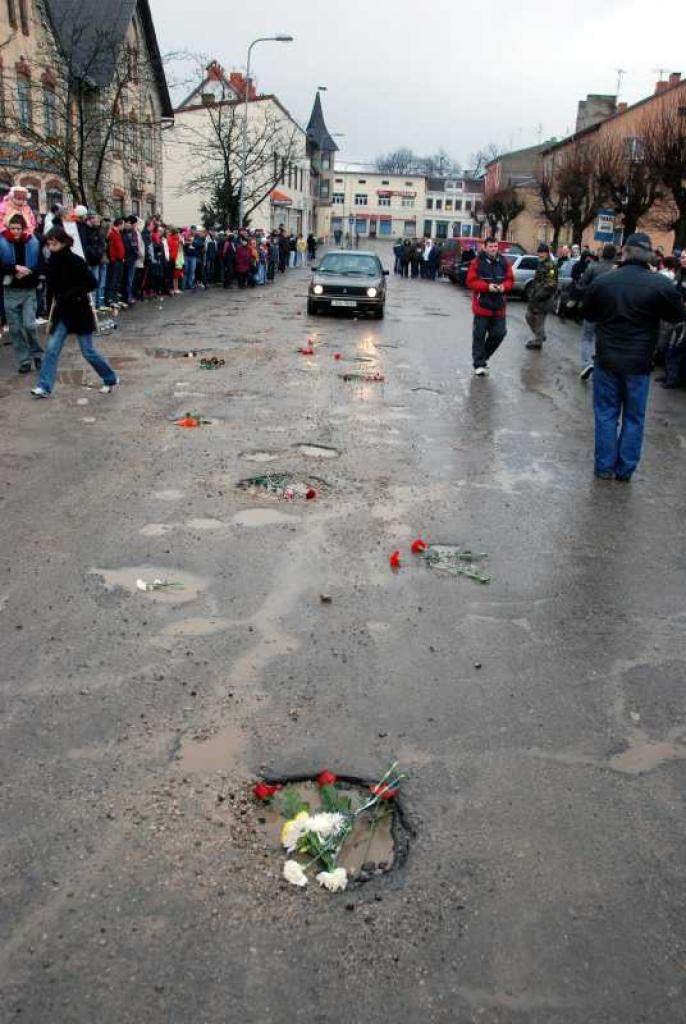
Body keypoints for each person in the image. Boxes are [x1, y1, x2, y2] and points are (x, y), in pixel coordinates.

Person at [582, 232, 684, 481]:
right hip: (639, 362)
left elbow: (589, 313)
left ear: (624, 251)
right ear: (649, 255)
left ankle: (604, 466)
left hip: (607, 359)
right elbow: (676, 315)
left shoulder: (605, 281)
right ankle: (625, 469)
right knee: (634, 417)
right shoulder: (660, 284)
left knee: (606, 415)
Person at [30, 227, 118, 398]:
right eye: (49, 243)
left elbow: (92, 283)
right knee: (52, 349)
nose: (51, 246)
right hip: (62, 313)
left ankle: (110, 378)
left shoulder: (76, 261)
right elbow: (47, 282)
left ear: (63, 242)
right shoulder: (51, 262)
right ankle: (44, 386)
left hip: (80, 311)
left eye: (54, 243)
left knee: (88, 351)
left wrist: (70, 293)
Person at [0, 213, 43, 374]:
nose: (15, 231)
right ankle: (24, 360)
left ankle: (37, 354)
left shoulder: (33, 242)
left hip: (28, 290)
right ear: (8, 228)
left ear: (23, 228)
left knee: (30, 325)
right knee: (15, 329)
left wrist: (29, 272)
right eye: (12, 228)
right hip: (10, 290)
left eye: (18, 228)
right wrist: (14, 269)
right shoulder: (2, 242)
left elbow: (41, 265)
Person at [466, 236, 514, 376]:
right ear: (485, 247)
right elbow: (471, 281)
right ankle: (479, 364)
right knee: (479, 336)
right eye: (491, 246)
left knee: (499, 333)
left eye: (495, 246)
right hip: (482, 306)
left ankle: (483, 356)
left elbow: (510, 280)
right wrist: (487, 287)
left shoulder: (504, 262)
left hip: (499, 306)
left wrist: (504, 287)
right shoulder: (477, 262)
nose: (493, 249)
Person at [577, 244, 616, 380]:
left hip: (592, 308)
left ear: (602, 254)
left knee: (587, 338)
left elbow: (581, 284)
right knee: (604, 338)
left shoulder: (592, 267)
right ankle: (602, 365)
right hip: (610, 311)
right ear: (614, 256)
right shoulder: (617, 270)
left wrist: (586, 294)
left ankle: (587, 363)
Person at [525, 243, 557, 349]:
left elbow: (551, 284)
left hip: (543, 299)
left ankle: (538, 341)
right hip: (535, 298)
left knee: (539, 321)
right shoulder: (541, 263)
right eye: (539, 253)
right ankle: (540, 336)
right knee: (529, 317)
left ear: (547, 253)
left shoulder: (551, 266)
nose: (540, 255)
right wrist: (532, 293)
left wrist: (539, 295)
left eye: (542, 253)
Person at [83, 212, 107, 310]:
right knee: (89, 283)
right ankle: (89, 305)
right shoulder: (84, 230)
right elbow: (85, 245)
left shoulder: (97, 230)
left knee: (95, 282)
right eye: (94, 218)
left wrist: (99, 253)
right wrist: (93, 253)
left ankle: (95, 304)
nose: (96, 220)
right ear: (89, 219)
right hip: (88, 260)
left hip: (96, 260)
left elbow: (101, 244)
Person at [105, 218, 125, 305]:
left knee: (118, 280)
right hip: (115, 260)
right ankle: (111, 299)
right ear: (119, 224)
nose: (123, 226)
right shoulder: (112, 234)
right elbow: (111, 247)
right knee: (113, 280)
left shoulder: (118, 233)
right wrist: (113, 258)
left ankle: (115, 298)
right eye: (122, 224)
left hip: (120, 259)